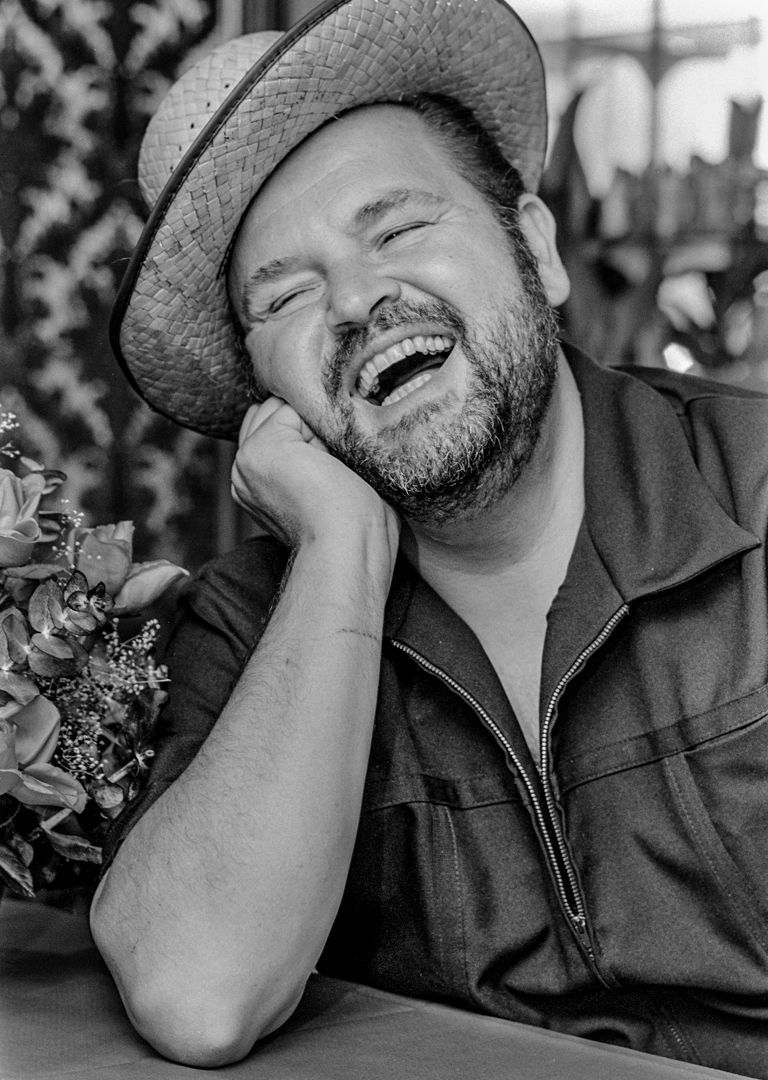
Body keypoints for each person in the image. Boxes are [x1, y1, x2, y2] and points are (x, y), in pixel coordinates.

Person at [90, 0, 768, 1074]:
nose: (359, 300)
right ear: (264, 397)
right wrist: (345, 553)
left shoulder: (757, 492)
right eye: (289, 298)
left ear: (535, 250)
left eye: (398, 228)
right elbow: (198, 991)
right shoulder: (247, 621)